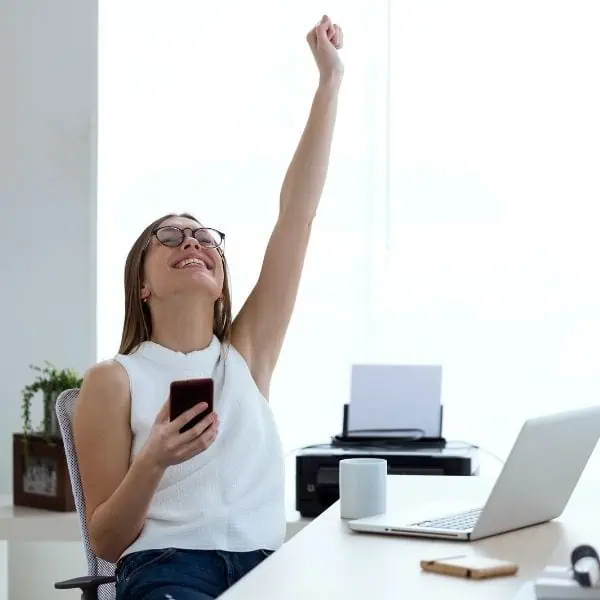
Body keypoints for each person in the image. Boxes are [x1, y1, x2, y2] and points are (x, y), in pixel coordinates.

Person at [73, 14, 344, 600]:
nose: (191, 242)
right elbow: (108, 544)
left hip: (269, 567)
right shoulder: (114, 381)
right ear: (141, 283)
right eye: (169, 238)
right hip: (169, 568)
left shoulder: (247, 355)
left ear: (220, 281)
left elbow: (297, 214)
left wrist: (329, 83)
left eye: (203, 236)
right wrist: (154, 460)